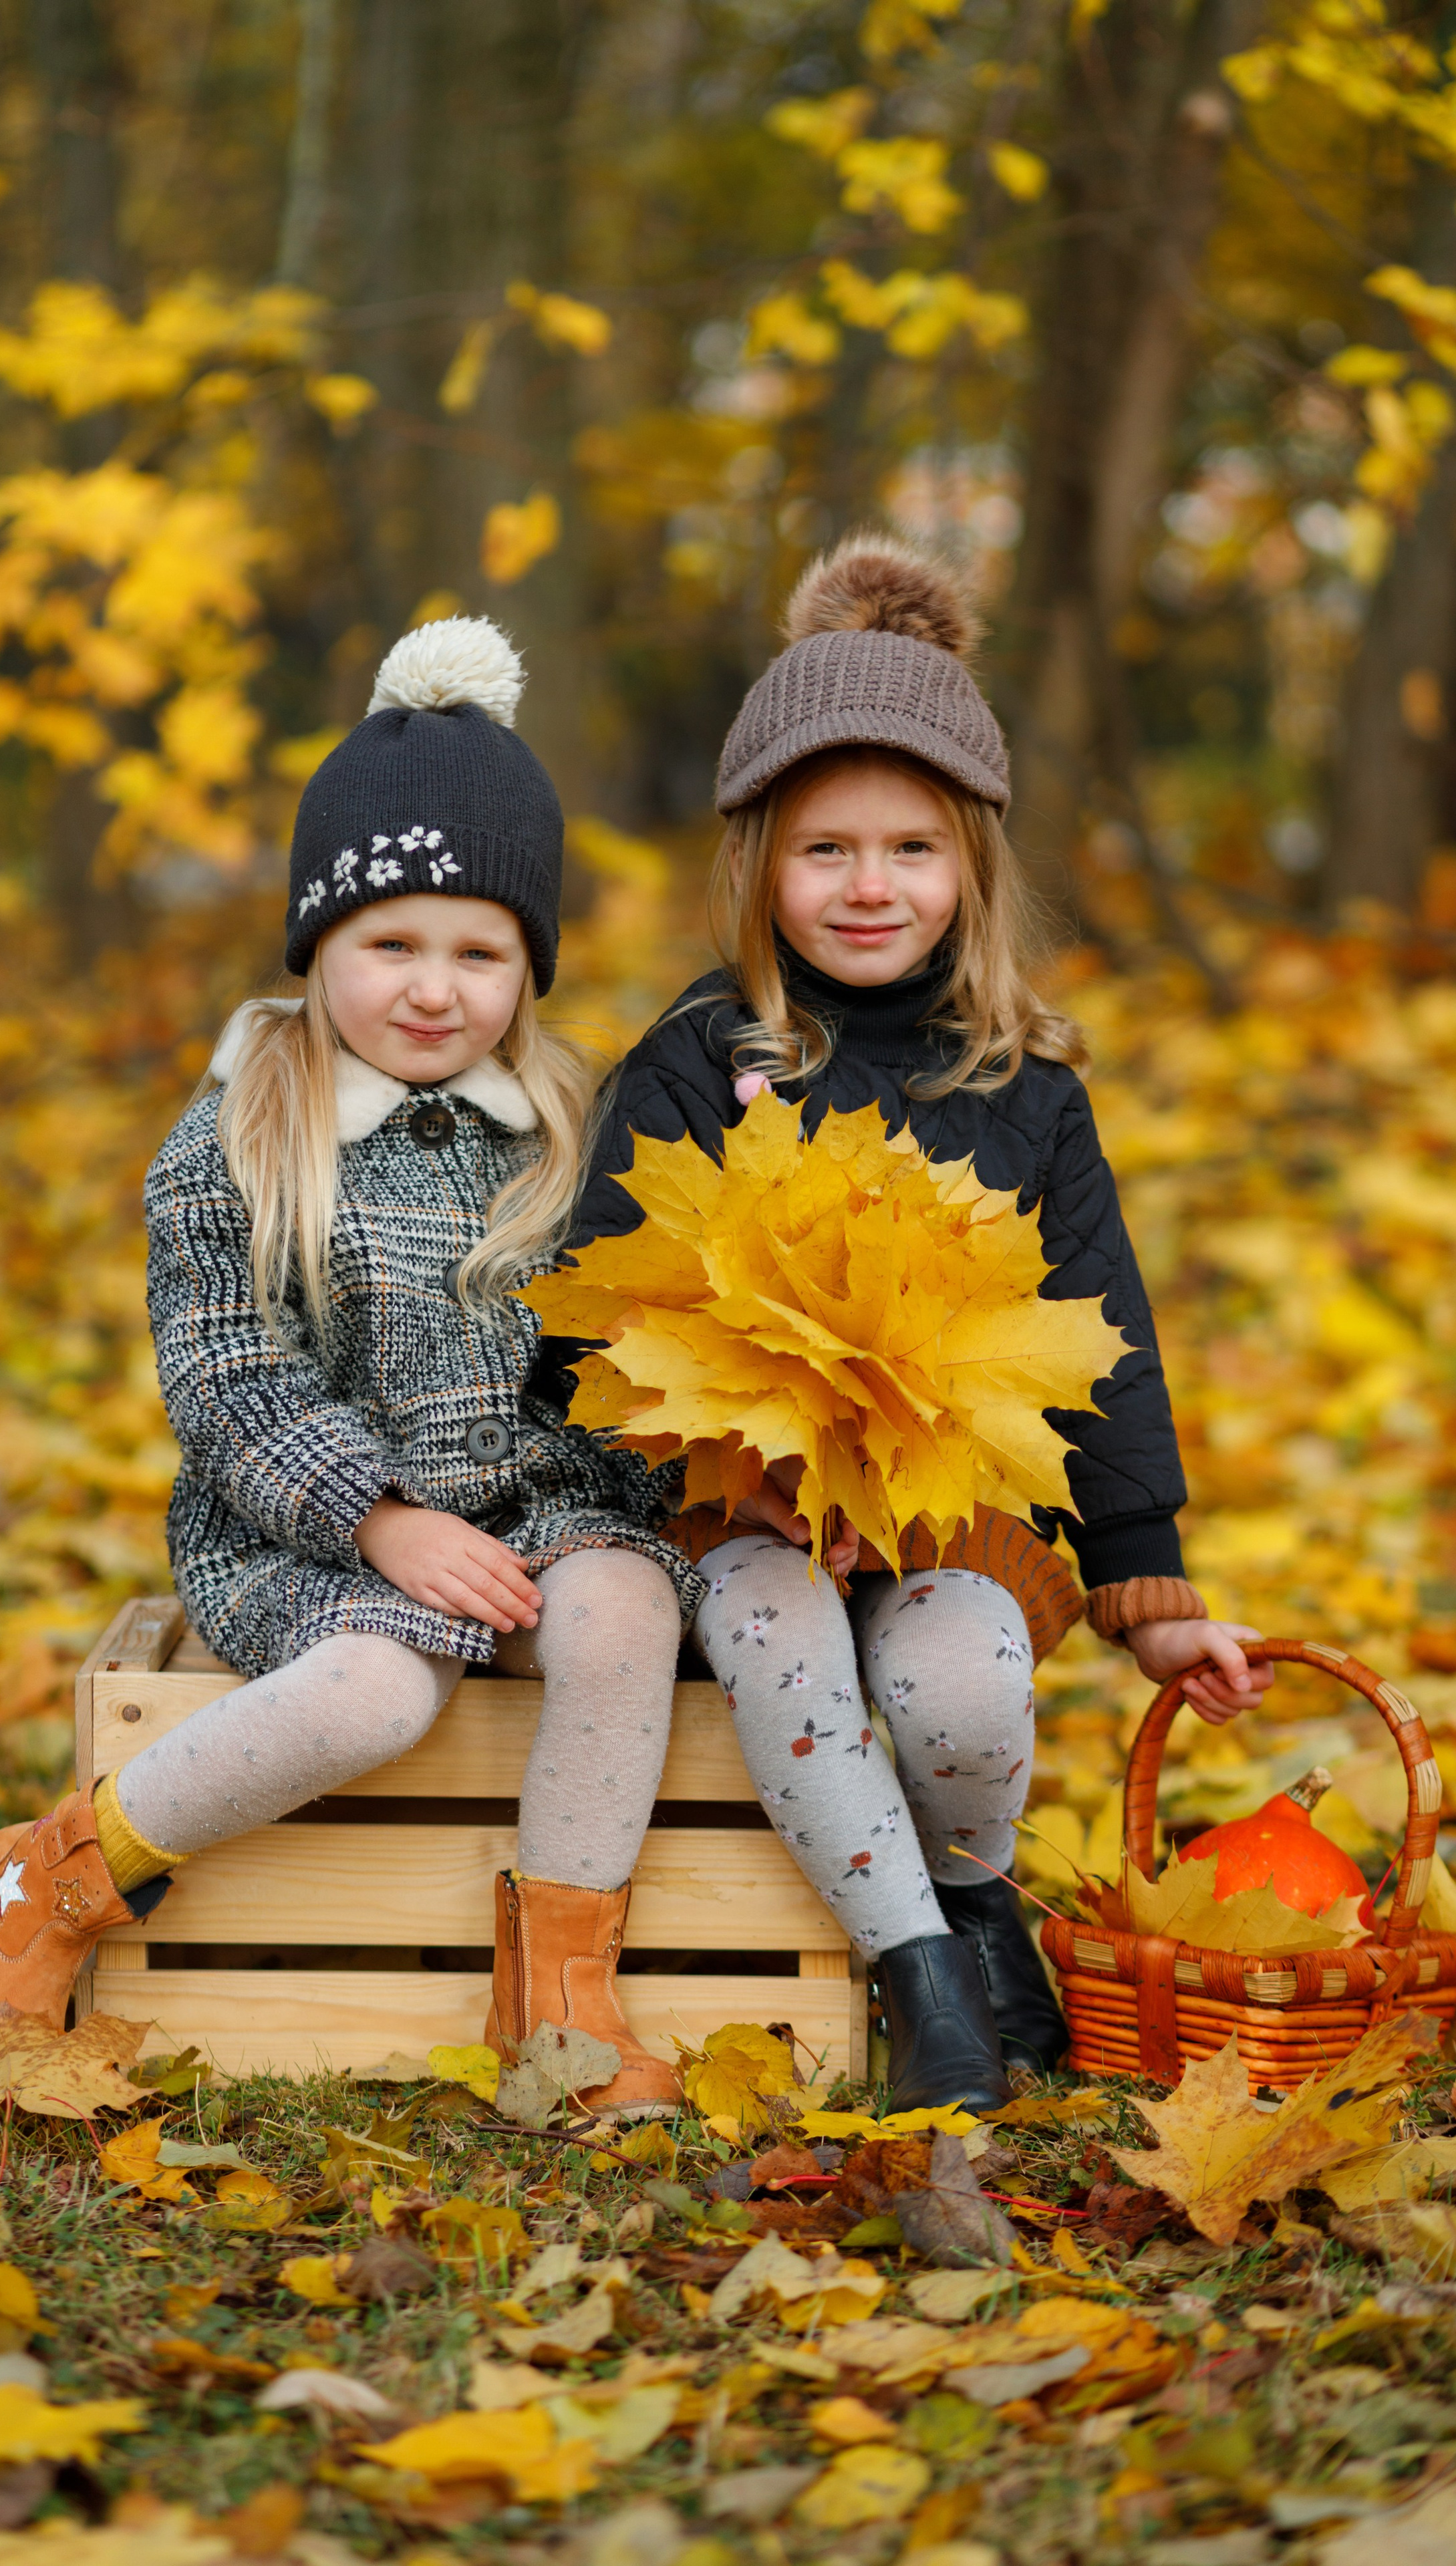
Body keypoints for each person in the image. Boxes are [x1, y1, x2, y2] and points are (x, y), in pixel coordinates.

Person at [0, 619, 703, 2119]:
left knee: (628, 1614)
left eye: (479, 952)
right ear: (315, 946)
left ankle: (559, 2001)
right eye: (389, 945)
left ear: (528, 966)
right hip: (307, 1527)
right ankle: (54, 1876)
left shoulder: (566, 1126)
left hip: (530, 1513)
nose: (433, 988)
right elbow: (225, 1378)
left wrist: (651, 1493)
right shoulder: (237, 1140)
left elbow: (609, 1355)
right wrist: (377, 1519)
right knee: (373, 1696)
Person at [569, 534, 1272, 2111]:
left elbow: (1102, 1347)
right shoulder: (696, 1058)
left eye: (909, 849)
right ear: (757, 864)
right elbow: (598, 1319)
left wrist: (1144, 1586)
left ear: (971, 867)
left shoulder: (1023, 1091)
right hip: (737, 1516)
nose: (868, 887)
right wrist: (733, 1479)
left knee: (957, 1685)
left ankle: (971, 1897)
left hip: (952, 1518)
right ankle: (921, 1987)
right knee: (782, 1641)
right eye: (824, 851)